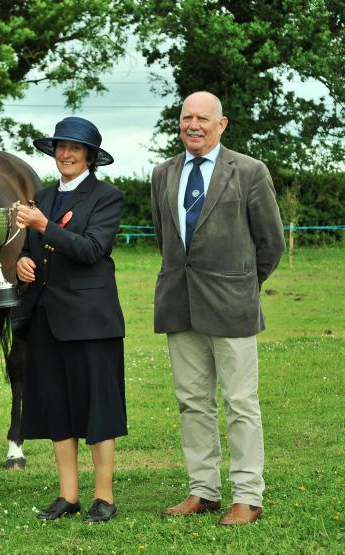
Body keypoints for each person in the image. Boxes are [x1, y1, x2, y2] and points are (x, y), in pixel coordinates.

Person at [151, 91, 285, 525]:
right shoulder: (162, 173)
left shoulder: (248, 171)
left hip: (233, 306)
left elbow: (271, 243)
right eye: (186, 117)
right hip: (179, 303)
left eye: (203, 118)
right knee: (192, 402)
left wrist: (243, 285)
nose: (194, 125)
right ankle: (203, 491)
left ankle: (248, 495)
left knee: (241, 403)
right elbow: (166, 239)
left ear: (221, 124)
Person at [12, 116, 127, 523]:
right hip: (46, 316)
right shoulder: (41, 195)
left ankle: (104, 497)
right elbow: (32, 248)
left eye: (75, 148)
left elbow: (92, 249)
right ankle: (68, 495)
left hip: (91, 320)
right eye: (61, 146)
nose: (66, 154)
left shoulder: (107, 197)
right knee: (58, 408)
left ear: (90, 157)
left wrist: (43, 226)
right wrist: (24, 263)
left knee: (97, 408)